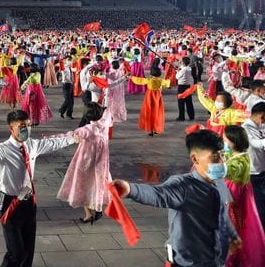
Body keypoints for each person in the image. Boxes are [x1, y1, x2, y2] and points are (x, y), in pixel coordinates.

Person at [112, 129, 241, 267]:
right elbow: (156, 194)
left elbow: (223, 213)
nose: (222, 161)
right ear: (195, 159)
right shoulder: (183, 186)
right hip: (187, 263)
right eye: (215, 157)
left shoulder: (220, 182)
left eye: (223, 155)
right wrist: (130, 189)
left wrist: (232, 235)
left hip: (216, 260)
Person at [0, 110, 79, 267]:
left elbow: (52, 143)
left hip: (28, 202)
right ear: (11, 128)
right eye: (21, 126)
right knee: (16, 253)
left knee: (28, 249)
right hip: (10, 204)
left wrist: (72, 139)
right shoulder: (2, 149)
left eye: (28, 125)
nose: (26, 129)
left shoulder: (32, 145)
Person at [57, 103, 113, 223]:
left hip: (86, 161)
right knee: (98, 183)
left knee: (82, 185)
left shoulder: (86, 130)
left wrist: (51, 138)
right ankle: (97, 208)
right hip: (101, 162)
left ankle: (89, 214)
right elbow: (108, 111)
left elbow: (70, 136)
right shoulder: (105, 122)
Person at [221, 125, 265, 267]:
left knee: (232, 231)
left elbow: (226, 170)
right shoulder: (235, 155)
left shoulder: (240, 161)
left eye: (224, 139)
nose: (223, 142)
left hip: (234, 201)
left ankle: (230, 259)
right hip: (231, 197)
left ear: (233, 141)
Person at [242, 102, 265, 232]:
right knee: (259, 205)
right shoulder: (246, 129)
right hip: (254, 173)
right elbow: (256, 143)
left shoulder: (258, 126)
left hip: (261, 170)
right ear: (261, 116)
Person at [132, 67, 170, 137]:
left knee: (149, 112)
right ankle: (156, 128)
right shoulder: (161, 80)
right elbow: (168, 83)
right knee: (157, 112)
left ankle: (151, 130)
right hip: (158, 97)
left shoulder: (149, 80)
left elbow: (139, 80)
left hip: (149, 97)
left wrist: (131, 77)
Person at [175, 56, 195, 121]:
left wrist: (177, 71)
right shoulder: (189, 68)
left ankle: (181, 117)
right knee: (189, 102)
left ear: (183, 62)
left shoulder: (183, 70)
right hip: (187, 86)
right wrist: (179, 68)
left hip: (181, 87)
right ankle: (191, 116)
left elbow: (177, 77)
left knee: (181, 103)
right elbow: (183, 67)